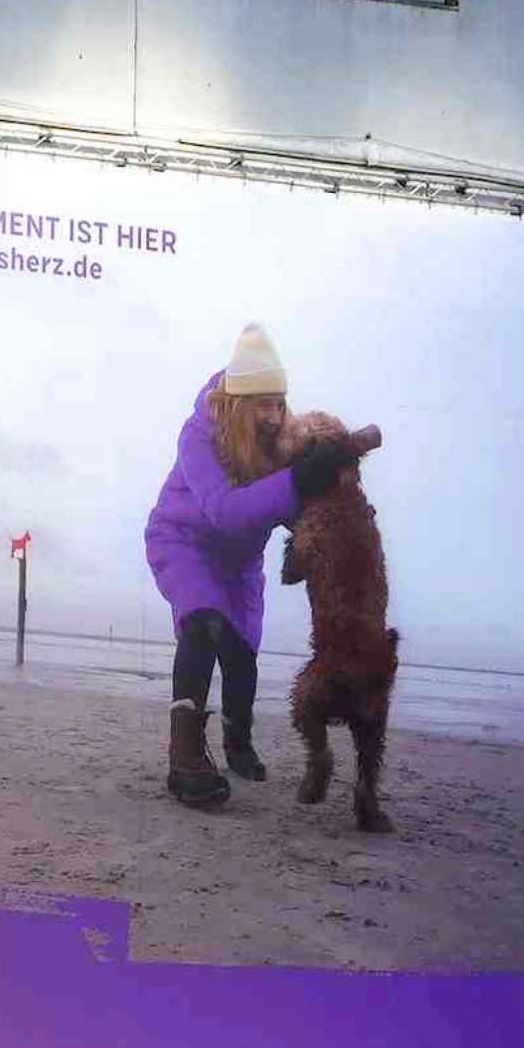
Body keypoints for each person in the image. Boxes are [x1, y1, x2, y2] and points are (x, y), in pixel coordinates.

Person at [145, 324, 354, 805]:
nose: (274, 415)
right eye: (263, 403)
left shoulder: (282, 441)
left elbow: (292, 506)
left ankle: (238, 741)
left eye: (279, 402)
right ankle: (185, 758)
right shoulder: (197, 436)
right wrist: (297, 483)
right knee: (203, 623)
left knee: (242, 653)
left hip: (240, 561)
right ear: (238, 403)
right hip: (183, 541)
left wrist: (330, 500)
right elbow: (224, 509)